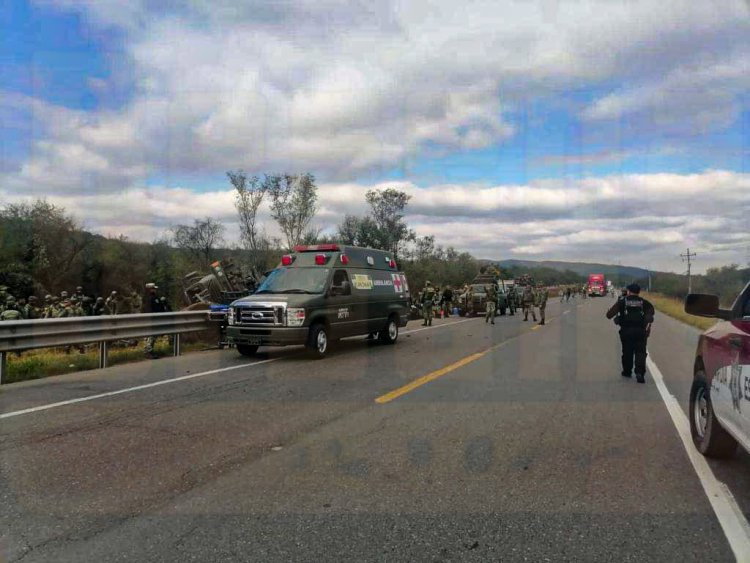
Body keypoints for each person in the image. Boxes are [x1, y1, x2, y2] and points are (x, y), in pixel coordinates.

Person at [606, 283, 655, 384]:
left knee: (627, 351)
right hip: (641, 332)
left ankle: (627, 372)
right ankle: (640, 373)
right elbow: (650, 316)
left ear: (628, 291)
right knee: (640, 352)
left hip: (626, 331)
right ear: (638, 292)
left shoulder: (622, 301)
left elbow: (609, 315)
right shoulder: (645, 303)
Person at [143, 283, 162, 358]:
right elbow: (149, 309)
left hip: (155, 319)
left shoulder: (155, 297)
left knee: (153, 337)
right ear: (150, 289)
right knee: (150, 337)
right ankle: (148, 351)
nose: (155, 290)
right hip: (151, 320)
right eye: (153, 288)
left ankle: (150, 350)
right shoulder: (149, 298)